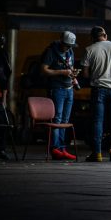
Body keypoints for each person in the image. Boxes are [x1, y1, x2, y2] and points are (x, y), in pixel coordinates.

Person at [82, 26, 111, 162]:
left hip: (98, 90)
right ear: (105, 35)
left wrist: (97, 74)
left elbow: (85, 73)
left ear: (92, 38)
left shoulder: (89, 49)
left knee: (98, 121)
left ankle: (97, 154)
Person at [40, 31, 79, 160]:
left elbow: (70, 66)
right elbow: (44, 70)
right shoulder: (51, 51)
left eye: (71, 46)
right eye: (67, 45)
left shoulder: (70, 52)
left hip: (69, 89)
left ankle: (62, 149)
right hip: (57, 89)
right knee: (57, 119)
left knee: (65, 120)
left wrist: (73, 76)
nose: (69, 48)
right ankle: (55, 149)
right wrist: (61, 72)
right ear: (61, 42)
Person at [0, 32, 12, 161]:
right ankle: (0, 149)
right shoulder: (2, 54)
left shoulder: (2, 55)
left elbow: (4, 77)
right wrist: (4, 98)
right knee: (3, 123)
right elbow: (4, 77)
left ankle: (0, 149)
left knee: (3, 123)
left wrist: (4, 98)